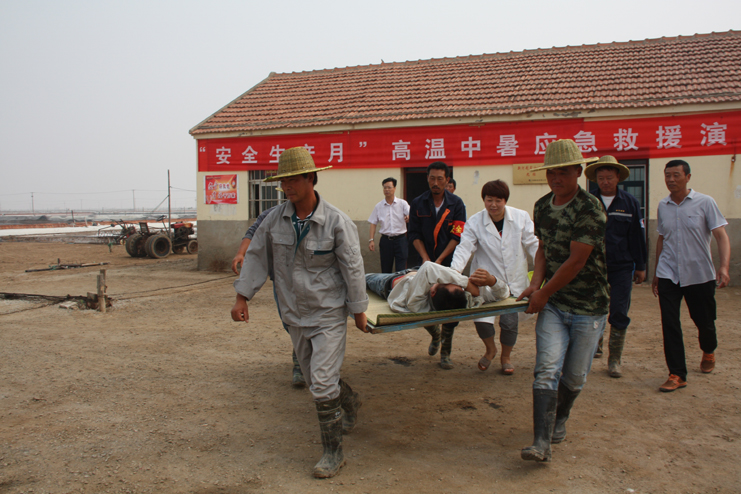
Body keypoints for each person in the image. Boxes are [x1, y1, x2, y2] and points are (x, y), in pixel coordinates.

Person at [231, 147, 369, 479]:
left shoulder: (336, 221)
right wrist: (242, 297)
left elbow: (353, 268)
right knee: (315, 380)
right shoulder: (273, 220)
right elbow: (256, 257)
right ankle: (349, 400)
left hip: (328, 313)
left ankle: (333, 453)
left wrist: (358, 310)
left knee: (321, 382)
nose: (286, 187)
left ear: (310, 178)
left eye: (292, 179)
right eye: (282, 181)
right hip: (294, 313)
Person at [516, 139, 609, 462]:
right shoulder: (542, 206)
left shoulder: (590, 209)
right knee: (546, 369)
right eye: (551, 173)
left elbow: (576, 261)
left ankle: (560, 416)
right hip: (555, 305)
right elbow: (543, 248)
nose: (556, 179)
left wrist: (543, 292)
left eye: (564, 172)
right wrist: (535, 284)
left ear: (578, 172)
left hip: (589, 306)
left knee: (574, 377)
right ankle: (540, 442)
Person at [651, 159, 731, 393]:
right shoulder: (663, 205)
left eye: (676, 175)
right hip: (669, 273)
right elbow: (662, 238)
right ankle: (677, 374)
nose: (671, 179)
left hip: (699, 274)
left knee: (704, 321)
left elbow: (721, 236)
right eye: (667, 175)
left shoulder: (705, 202)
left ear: (687, 177)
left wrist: (724, 267)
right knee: (670, 323)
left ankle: (708, 349)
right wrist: (657, 271)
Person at [451, 180, 538, 375]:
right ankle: (490, 349)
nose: (493, 205)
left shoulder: (521, 217)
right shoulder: (475, 221)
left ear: (505, 200)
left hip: (514, 280)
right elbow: (464, 248)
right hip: (486, 282)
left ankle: (506, 357)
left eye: (498, 200)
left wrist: (544, 269)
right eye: (489, 200)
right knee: (482, 321)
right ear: (484, 200)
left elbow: (533, 244)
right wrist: (454, 273)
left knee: (509, 322)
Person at [231, 205, 306, 387]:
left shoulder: (321, 215)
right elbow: (253, 235)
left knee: (310, 324)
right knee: (290, 323)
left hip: (311, 282)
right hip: (282, 281)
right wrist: (241, 253)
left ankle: (302, 364)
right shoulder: (271, 215)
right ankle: (301, 355)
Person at [585, 156, 647, 378]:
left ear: (618, 177)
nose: (605, 182)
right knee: (594, 308)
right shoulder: (589, 202)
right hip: (593, 267)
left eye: (609, 177)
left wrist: (641, 266)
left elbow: (637, 236)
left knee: (619, 310)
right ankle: (596, 345)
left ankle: (615, 359)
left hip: (621, 266)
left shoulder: (629, 203)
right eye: (601, 178)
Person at [408, 162, 466, 369]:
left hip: (449, 263)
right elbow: (413, 234)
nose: (435, 182)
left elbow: (457, 236)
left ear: (447, 180)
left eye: (440, 179)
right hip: (424, 263)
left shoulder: (457, 204)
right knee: (420, 302)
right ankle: (435, 334)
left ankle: (446, 352)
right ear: (427, 179)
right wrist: (426, 259)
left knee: (449, 305)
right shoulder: (418, 203)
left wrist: (440, 261)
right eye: (432, 178)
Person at [365, 262, 509, 313]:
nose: (454, 281)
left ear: (432, 292)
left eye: (445, 282)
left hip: (389, 283)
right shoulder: (467, 298)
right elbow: (503, 294)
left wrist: (466, 282)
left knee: (363, 278)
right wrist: (492, 281)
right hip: (415, 271)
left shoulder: (416, 303)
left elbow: (428, 268)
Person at [368, 177, 410, 273]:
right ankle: (387, 283)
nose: (387, 190)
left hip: (400, 240)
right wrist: (371, 240)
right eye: (385, 187)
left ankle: (399, 283)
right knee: (386, 268)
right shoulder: (379, 206)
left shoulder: (402, 203)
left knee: (401, 270)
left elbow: (411, 214)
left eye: (389, 187)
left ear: (394, 188)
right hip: (386, 241)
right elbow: (373, 223)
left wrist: (408, 217)